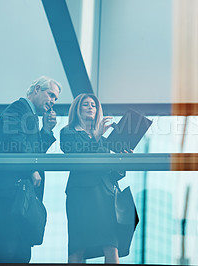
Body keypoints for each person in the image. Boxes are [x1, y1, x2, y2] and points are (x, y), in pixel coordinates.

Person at [0, 76, 61, 263]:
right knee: (6, 250)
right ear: (36, 89)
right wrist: (31, 169)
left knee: (19, 252)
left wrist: (47, 130)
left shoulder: (30, 116)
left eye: (56, 99)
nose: (52, 101)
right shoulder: (17, 109)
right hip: (10, 193)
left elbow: (35, 152)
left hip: (20, 196)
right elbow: (14, 143)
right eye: (50, 95)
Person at [60, 93, 129, 264]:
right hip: (80, 195)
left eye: (94, 105)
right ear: (77, 109)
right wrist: (96, 136)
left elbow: (112, 175)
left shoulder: (104, 140)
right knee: (78, 247)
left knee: (111, 246)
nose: (91, 107)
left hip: (104, 196)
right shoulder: (68, 132)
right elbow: (77, 155)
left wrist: (123, 160)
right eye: (86, 104)